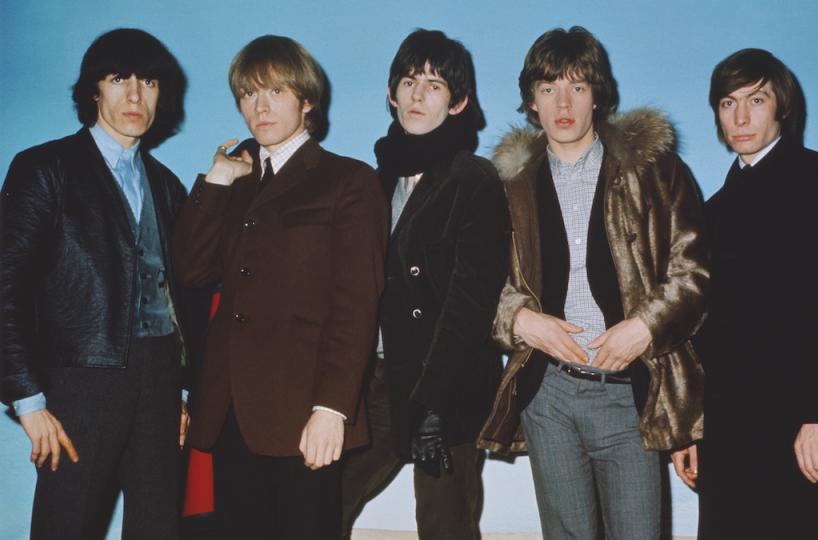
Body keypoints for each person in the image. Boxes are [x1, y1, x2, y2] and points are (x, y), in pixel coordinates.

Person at [477, 26, 709, 540]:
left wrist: (644, 328)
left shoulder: (654, 171)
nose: (563, 102)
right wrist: (519, 319)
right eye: (548, 89)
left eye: (577, 87)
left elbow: (695, 271)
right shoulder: (505, 185)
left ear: (597, 95)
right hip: (549, 396)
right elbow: (475, 280)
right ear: (531, 101)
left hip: (631, 393)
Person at [172, 35, 387, 539]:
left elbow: (356, 305)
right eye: (248, 94)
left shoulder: (348, 182)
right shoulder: (238, 184)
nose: (259, 106)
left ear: (306, 100)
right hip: (230, 414)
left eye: (274, 91)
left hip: (304, 413)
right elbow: (190, 271)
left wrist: (332, 408)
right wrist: (217, 180)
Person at [676, 48, 818, 539]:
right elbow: (698, 335)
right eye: (728, 104)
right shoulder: (710, 214)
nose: (742, 116)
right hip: (730, 438)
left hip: (808, 431)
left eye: (757, 99)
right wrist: (689, 429)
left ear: (783, 107)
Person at [1, 28, 193, 538]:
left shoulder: (168, 185)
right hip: (78, 385)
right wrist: (27, 400)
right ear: (93, 91)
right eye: (118, 79)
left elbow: (174, 298)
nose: (134, 95)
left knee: (157, 527)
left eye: (148, 82)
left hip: (158, 383)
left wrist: (179, 391)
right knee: (66, 527)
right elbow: (6, 286)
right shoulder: (45, 168)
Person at [339, 29, 510, 540]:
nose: (418, 94)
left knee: (445, 527)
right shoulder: (372, 181)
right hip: (377, 383)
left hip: (447, 385)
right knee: (322, 506)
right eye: (410, 81)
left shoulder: (473, 179)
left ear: (458, 103)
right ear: (391, 94)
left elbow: (470, 302)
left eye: (434, 85)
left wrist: (433, 401)